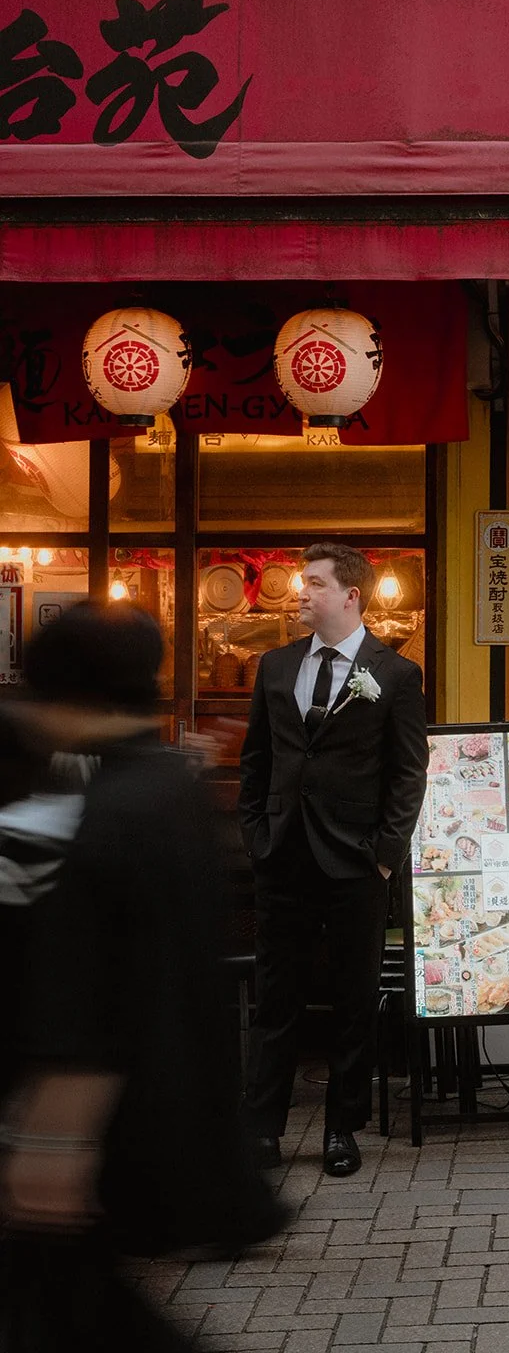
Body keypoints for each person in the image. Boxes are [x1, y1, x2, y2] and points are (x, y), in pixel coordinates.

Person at [0, 602, 282, 1351]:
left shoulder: (101, 814)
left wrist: (54, 1145)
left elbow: (80, 994)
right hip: (166, 1103)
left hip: (94, 1125)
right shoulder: (170, 787)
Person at [239, 541, 428, 1177]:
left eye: (315, 583)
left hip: (355, 863)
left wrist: (384, 855)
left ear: (350, 595)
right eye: (302, 582)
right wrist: (256, 835)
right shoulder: (274, 666)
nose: (302, 592)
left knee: (353, 1000)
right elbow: (256, 760)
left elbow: (408, 774)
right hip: (283, 855)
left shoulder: (395, 675)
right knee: (276, 999)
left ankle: (342, 1128)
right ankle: (264, 1129)